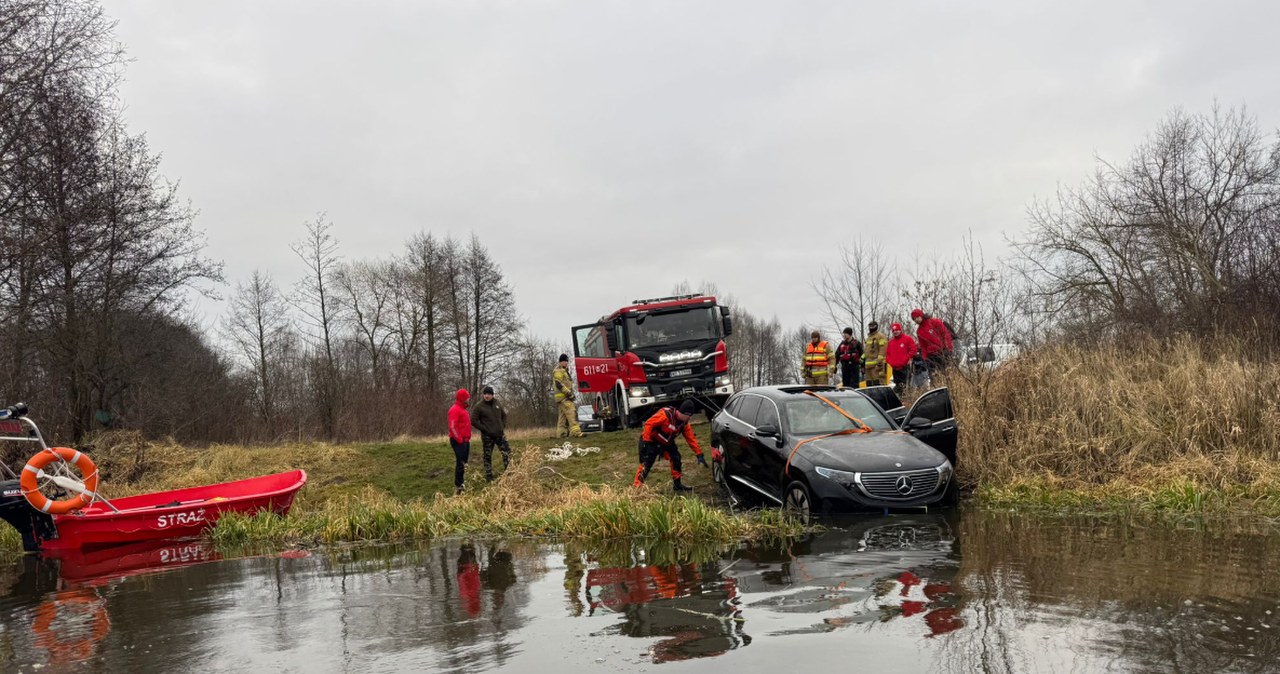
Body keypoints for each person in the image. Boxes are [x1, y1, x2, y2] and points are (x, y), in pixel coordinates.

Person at [633, 399, 708, 492]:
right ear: (682, 413)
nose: (689, 419)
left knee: (676, 458)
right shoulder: (665, 415)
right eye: (688, 416)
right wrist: (646, 442)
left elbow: (691, 438)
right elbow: (648, 424)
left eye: (690, 416)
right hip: (651, 440)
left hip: (666, 442)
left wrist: (699, 454)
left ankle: (677, 485)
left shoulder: (684, 424)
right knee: (647, 462)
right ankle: (637, 487)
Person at [472, 385, 512, 481]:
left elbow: (504, 415)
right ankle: (489, 476)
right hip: (487, 436)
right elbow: (473, 420)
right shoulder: (479, 406)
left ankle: (509, 472)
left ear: (492, 395)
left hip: (500, 434)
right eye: (485, 394)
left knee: (507, 453)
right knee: (487, 456)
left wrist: (502, 426)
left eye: (489, 394)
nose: (487, 396)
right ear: (483, 395)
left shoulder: (497, 403)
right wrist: (484, 429)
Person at [911, 308, 955, 378]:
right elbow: (923, 346)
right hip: (931, 356)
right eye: (914, 319)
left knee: (947, 375)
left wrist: (949, 348)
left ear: (921, 315)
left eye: (917, 317)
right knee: (935, 377)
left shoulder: (934, 322)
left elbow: (945, 334)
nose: (916, 320)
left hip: (943, 352)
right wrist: (925, 358)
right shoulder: (919, 331)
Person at [552, 354, 584, 438]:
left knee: (562, 418)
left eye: (567, 361)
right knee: (571, 413)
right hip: (564, 397)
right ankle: (576, 432)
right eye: (564, 361)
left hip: (562, 398)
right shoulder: (558, 370)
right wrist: (569, 393)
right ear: (560, 362)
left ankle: (561, 434)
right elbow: (558, 383)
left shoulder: (564, 371)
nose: (566, 363)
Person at [448, 388, 472, 495]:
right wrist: (460, 440)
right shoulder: (454, 410)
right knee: (460, 463)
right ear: (463, 398)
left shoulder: (464, 410)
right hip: (459, 441)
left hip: (465, 440)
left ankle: (462, 483)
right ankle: (459, 487)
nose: (469, 399)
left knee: (464, 463)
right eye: (467, 397)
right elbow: (453, 427)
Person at [885, 323, 917, 395]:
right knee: (898, 386)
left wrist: (908, 358)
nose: (895, 332)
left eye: (897, 330)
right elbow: (887, 354)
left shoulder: (907, 339)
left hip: (905, 367)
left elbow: (913, 349)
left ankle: (907, 399)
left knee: (906, 386)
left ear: (900, 330)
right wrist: (890, 362)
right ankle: (900, 399)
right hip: (895, 368)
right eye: (893, 331)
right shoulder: (891, 342)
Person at [863, 321, 888, 386]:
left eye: (873, 326)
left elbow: (883, 350)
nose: (871, 328)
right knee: (869, 384)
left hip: (877, 365)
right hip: (868, 365)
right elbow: (867, 351)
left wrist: (879, 362)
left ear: (876, 326)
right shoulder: (869, 338)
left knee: (878, 383)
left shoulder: (880, 336)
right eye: (870, 326)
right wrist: (862, 359)